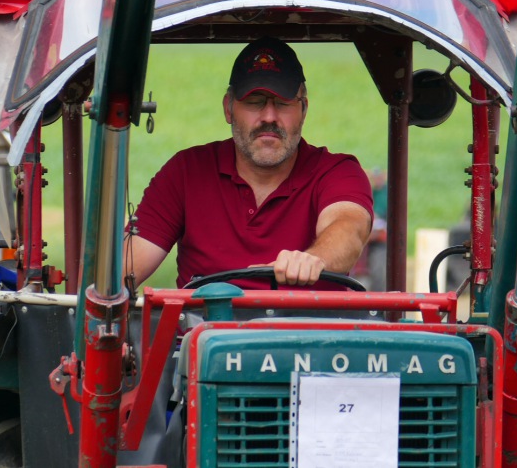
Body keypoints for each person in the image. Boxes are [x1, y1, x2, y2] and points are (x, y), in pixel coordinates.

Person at [124, 37, 373, 289]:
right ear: (228, 108)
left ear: (304, 110)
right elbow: (125, 270)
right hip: (205, 327)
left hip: (308, 329)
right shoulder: (186, 172)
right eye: (255, 102)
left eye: (283, 103)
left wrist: (314, 259)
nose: (269, 117)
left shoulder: (337, 172)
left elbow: (349, 229)